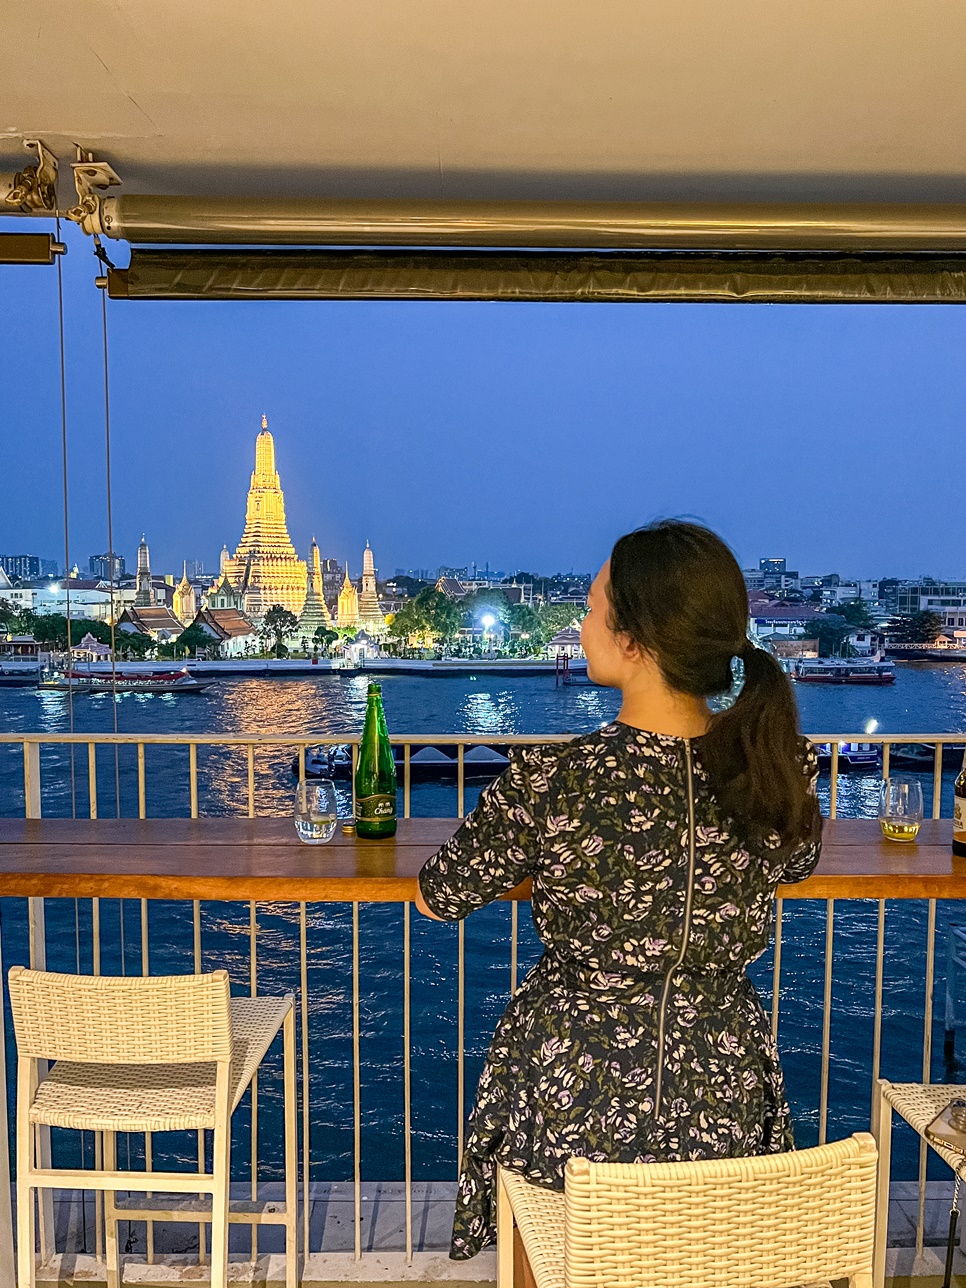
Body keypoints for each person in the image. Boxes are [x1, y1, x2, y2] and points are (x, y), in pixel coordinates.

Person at [416, 521, 822, 1260]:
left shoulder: (554, 781)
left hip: (574, 1097)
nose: (580, 621)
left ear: (634, 639)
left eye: (593, 604)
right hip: (722, 1091)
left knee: (550, 1258)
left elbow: (440, 894)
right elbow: (795, 863)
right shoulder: (773, 773)